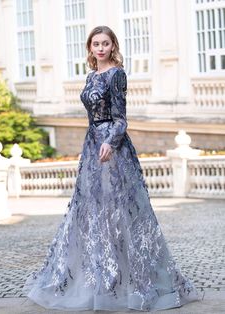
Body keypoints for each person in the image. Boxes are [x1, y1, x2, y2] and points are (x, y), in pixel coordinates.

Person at [23, 25, 201, 311]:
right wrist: (96, 142)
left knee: (121, 213)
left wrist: (111, 142)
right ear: (90, 48)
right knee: (92, 212)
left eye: (106, 43)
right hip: (92, 147)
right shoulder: (91, 75)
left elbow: (120, 118)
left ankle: (132, 281)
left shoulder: (117, 74)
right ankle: (101, 277)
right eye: (96, 43)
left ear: (113, 45)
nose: (101, 48)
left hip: (112, 150)